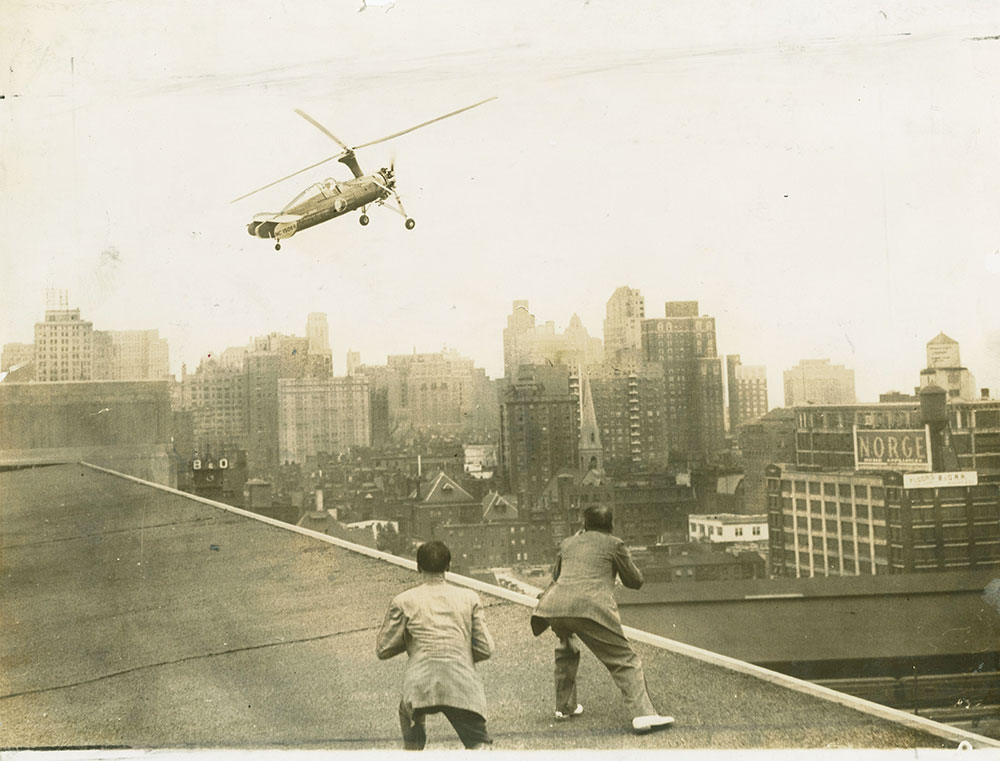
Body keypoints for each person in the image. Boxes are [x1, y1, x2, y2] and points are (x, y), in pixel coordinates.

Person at [530, 505, 674, 734]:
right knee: (625, 660)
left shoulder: (568, 543)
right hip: (590, 608)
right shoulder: (614, 543)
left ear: (583, 524)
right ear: (611, 525)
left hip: (553, 607)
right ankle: (643, 715)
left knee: (567, 648)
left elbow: (557, 577)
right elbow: (635, 581)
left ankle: (564, 706)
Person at [376, 540, 495, 750]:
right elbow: (486, 649)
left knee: (408, 711)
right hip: (462, 684)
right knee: (478, 744)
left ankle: (415, 744)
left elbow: (383, 649)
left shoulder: (403, 601)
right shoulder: (470, 598)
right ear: (448, 567)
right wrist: (458, 650)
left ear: (418, 567)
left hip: (420, 685)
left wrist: (415, 641)